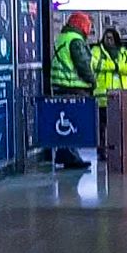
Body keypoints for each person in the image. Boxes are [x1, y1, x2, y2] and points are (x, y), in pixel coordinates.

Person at [50, 12, 95, 170]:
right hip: (72, 86)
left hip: (60, 85)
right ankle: (71, 157)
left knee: (64, 122)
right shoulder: (75, 40)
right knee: (73, 122)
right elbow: (82, 64)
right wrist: (92, 81)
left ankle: (65, 154)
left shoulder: (63, 37)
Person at [90, 29, 127, 160]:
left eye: (111, 38)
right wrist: (115, 66)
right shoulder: (97, 51)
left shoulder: (124, 53)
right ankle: (102, 151)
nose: (109, 40)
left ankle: (118, 149)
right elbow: (94, 64)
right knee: (101, 127)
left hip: (121, 96)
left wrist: (120, 67)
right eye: (106, 37)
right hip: (102, 96)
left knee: (119, 127)